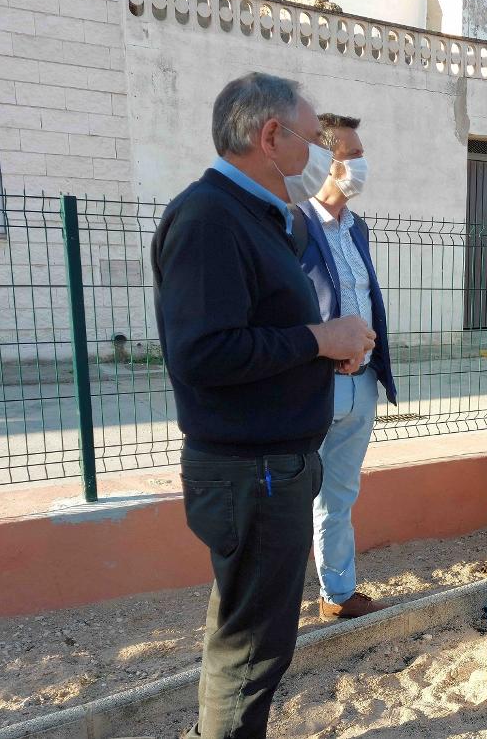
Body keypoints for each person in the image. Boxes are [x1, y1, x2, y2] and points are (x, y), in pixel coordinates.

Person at [152, 72, 376, 738]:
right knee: (250, 648)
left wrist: (319, 351)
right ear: (270, 135)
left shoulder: (256, 216)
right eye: (312, 141)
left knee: (254, 637)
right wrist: (318, 337)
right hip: (251, 471)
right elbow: (202, 354)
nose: (320, 160)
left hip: (272, 465)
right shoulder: (208, 219)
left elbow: (252, 333)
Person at [293, 113, 399, 621]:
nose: (362, 165)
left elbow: (359, 296)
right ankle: (274, 600)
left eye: (360, 154)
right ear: (325, 162)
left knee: (339, 496)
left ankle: (336, 595)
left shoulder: (357, 228)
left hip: (362, 383)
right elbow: (287, 308)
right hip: (313, 387)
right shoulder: (294, 224)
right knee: (292, 494)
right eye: (352, 156)